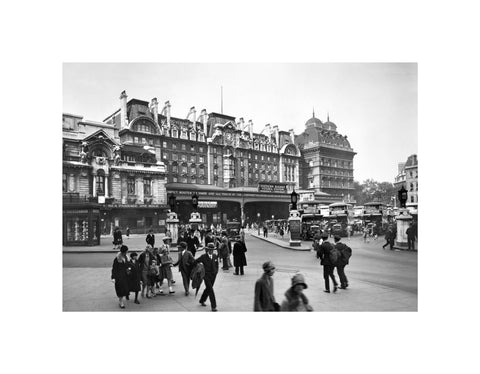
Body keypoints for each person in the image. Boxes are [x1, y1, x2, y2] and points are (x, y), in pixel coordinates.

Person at [195, 242, 219, 311]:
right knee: (211, 290)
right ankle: (213, 306)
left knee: (208, 289)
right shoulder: (203, 256)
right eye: (209, 249)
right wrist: (199, 268)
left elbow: (217, 264)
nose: (211, 251)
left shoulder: (215, 256)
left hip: (213, 275)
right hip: (206, 276)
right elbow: (196, 261)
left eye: (212, 249)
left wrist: (216, 271)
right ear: (207, 250)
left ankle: (202, 300)